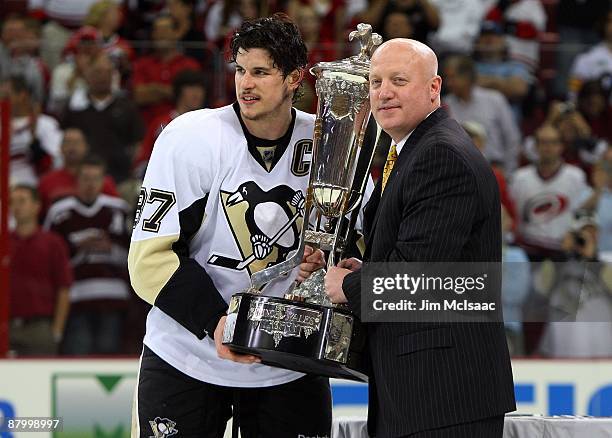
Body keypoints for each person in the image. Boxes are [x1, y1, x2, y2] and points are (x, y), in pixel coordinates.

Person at [128, 14, 331, 438]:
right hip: (187, 355)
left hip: (287, 362)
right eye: (240, 69)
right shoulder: (191, 138)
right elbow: (148, 261)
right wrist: (218, 321)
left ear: (294, 78)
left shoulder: (330, 143)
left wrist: (326, 257)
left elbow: (351, 239)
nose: (246, 83)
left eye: (261, 72)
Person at [320, 39, 516, 437]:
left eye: (398, 80)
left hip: (443, 395)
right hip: (426, 392)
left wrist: (349, 285)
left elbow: (416, 277)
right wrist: (365, 267)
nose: (383, 92)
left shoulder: (439, 155)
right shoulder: (416, 150)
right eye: (375, 82)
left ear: (434, 88)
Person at [44, 156, 131, 355]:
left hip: (113, 297)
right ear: (76, 180)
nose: (90, 184)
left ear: (103, 181)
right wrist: (78, 251)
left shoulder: (118, 210)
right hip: (75, 298)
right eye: (85, 178)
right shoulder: (59, 212)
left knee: (108, 356)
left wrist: (110, 249)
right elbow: (50, 256)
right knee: (78, 353)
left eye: (95, 178)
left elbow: (136, 256)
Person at [9, 185, 72, 356]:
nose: (16, 206)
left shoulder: (52, 243)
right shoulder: (4, 243)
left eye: (22, 201)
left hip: (40, 328)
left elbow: (64, 288)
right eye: (12, 201)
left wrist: (56, 331)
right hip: (6, 327)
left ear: (37, 206)